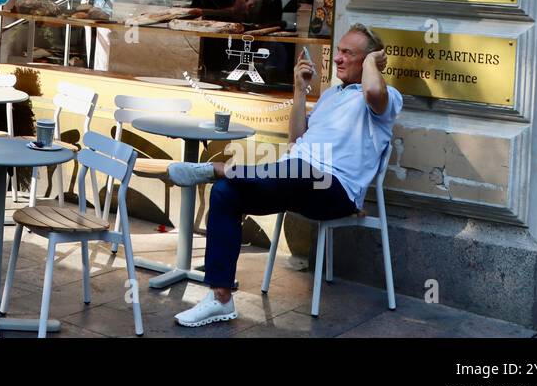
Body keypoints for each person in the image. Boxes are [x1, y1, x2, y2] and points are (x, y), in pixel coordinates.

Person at [167, 23, 402, 327]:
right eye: (339, 51)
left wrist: (373, 64)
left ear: (369, 60)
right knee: (225, 194)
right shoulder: (332, 96)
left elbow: (373, 89)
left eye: (348, 53)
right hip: (291, 179)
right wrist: (299, 90)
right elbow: (296, 141)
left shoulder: (387, 98)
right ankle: (220, 299)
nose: (338, 58)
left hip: (336, 192)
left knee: (300, 169)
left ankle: (221, 169)